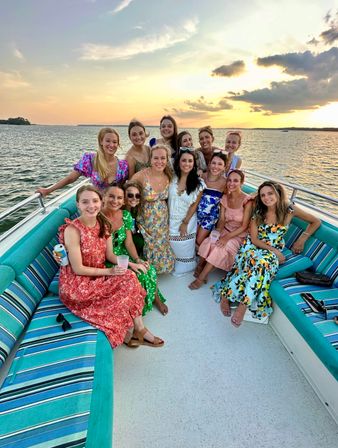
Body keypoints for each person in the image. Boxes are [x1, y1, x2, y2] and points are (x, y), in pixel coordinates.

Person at [58, 185, 164, 348]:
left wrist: (131, 264)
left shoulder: (104, 225)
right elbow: (78, 268)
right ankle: (124, 331)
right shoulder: (73, 230)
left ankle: (140, 328)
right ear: (78, 204)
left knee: (130, 277)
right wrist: (110, 271)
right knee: (121, 286)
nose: (91, 206)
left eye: (94, 201)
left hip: (98, 273)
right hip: (78, 282)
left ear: (101, 202)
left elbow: (109, 256)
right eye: (85, 202)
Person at [214, 181, 321, 328]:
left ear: (278, 193)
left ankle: (234, 299)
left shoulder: (290, 210)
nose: (266, 198)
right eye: (263, 195)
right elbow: (255, 239)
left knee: (264, 264)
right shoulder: (259, 212)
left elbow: (315, 221)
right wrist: (275, 251)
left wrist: (303, 239)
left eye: (270, 193)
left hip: (272, 250)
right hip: (254, 246)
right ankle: (235, 301)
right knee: (252, 261)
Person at [102, 183, 168, 316]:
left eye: (119, 198)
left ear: (123, 200)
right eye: (111, 197)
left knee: (148, 268)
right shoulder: (99, 217)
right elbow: (108, 254)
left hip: (123, 253)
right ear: (104, 197)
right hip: (107, 257)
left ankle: (155, 298)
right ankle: (138, 310)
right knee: (136, 274)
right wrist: (132, 264)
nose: (115, 201)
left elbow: (129, 242)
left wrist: (137, 259)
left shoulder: (125, 215)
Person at [189, 170, 252, 289]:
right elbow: (222, 220)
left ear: (242, 183)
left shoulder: (247, 201)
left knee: (220, 247)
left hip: (239, 235)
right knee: (210, 241)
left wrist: (226, 238)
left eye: (236, 181)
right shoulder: (225, 198)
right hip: (225, 229)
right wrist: (217, 231)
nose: (231, 183)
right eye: (229, 180)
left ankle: (201, 278)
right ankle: (200, 265)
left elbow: (244, 226)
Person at [37, 128, 128, 195]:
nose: (111, 145)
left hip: (112, 206)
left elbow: (122, 188)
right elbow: (70, 178)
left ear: (118, 144)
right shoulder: (90, 159)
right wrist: (49, 190)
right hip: (94, 206)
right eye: (108, 141)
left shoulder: (122, 166)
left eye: (115, 142)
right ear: (101, 142)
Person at [131, 145, 175, 274]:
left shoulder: (168, 175)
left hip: (163, 217)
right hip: (146, 218)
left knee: (162, 243)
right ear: (150, 159)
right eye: (156, 158)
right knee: (150, 244)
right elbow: (128, 191)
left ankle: (162, 269)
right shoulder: (141, 176)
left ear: (167, 160)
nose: (159, 161)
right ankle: (149, 271)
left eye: (163, 158)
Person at [168, 148, 205, 276]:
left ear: (194, 164)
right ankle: (174, 262)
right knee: (171, 243)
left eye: (190, 161)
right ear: (178, 162)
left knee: (184, 244)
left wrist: (185, 222)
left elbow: (194, 205)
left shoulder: (199, 183)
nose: (187, 164)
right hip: (170, 218)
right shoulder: (171, 178)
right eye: (184, 160)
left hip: (187, 219)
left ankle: (188, 264)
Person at [196, 152, 227, 246]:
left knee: (199, 240)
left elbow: (226, 201)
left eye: (220, 164)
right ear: (209, 164)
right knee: (190, 238)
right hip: (196, 212)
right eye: (214, 163)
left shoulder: (225, 183)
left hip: (210, 216)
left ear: (224, 167)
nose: (216, 166)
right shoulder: (201, 177)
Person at [123, 180, 145, 255]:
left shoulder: (135, 211)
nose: (134, 198)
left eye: (137, 196)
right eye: (130, 195)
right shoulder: (120, 212)